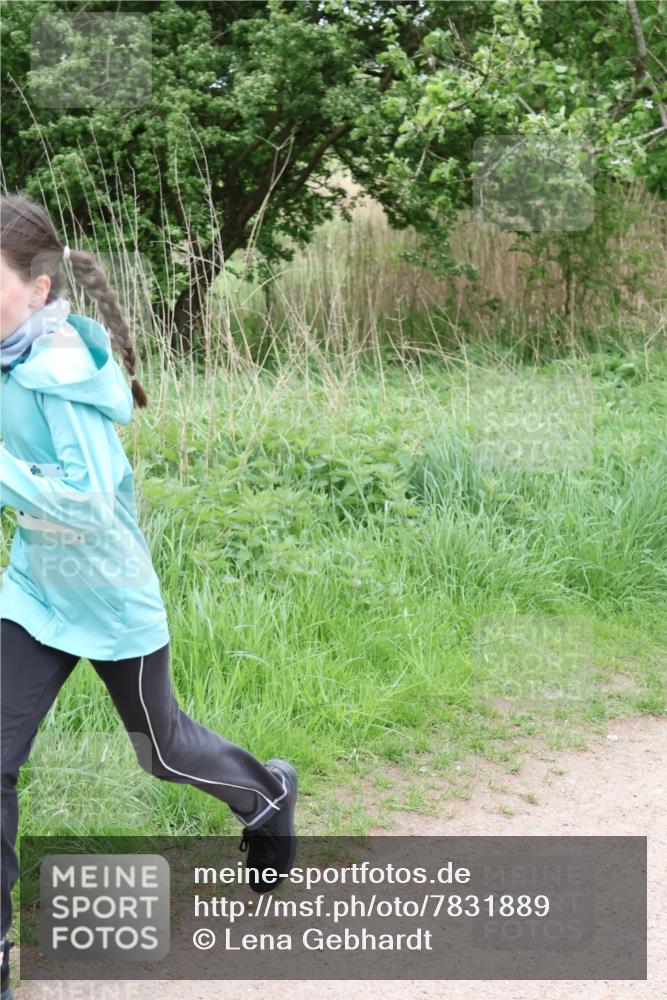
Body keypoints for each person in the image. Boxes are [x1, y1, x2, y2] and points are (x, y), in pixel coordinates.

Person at [0, 194, 298, 998]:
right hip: (35, 590)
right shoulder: (6, 349)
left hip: (107, 592)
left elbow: (90, 503)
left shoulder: (59, 367)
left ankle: (268, 796)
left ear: (38, 284)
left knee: (162, 750)